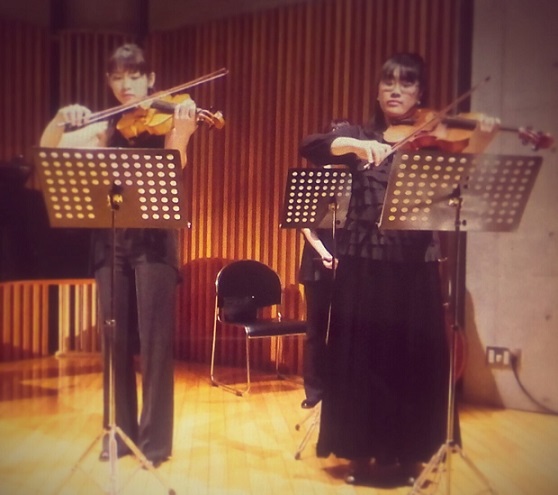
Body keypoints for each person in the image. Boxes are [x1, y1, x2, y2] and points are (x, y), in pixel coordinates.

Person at [299, 52, 499, 486]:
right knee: (359, 361)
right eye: (388, 81)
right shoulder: (359, 135)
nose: (395, 90)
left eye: (406, 83)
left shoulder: (432, 139)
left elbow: (458, 184)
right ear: (377, 91)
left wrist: (479, 144)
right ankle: (359, 453)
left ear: (420, 93)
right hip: (362, 263)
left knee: (410, 362)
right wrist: (354, 146)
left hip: (414, 265)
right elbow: (310, 145)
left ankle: (410, 454)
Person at [40, 43, 199, 467]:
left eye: (134, 75)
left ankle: (155, 443)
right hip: (109, 242)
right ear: (109, 81)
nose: (125, 84)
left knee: (155, 344)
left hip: (155, 241)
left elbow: (176, 164)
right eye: (117, 77)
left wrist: (182, 132)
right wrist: (59, 120)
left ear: (150, 79)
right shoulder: (105, 124)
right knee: (114, 341)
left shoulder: (169, 115)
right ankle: (120, 435)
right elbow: (50, 151)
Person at [298, 227, 335, 409]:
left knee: (343, 330)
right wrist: (325, 254)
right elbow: (306, 228)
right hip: (316, 265)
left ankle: (338, 386)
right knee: (315, 332)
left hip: (345, 262)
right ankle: (314, 391)